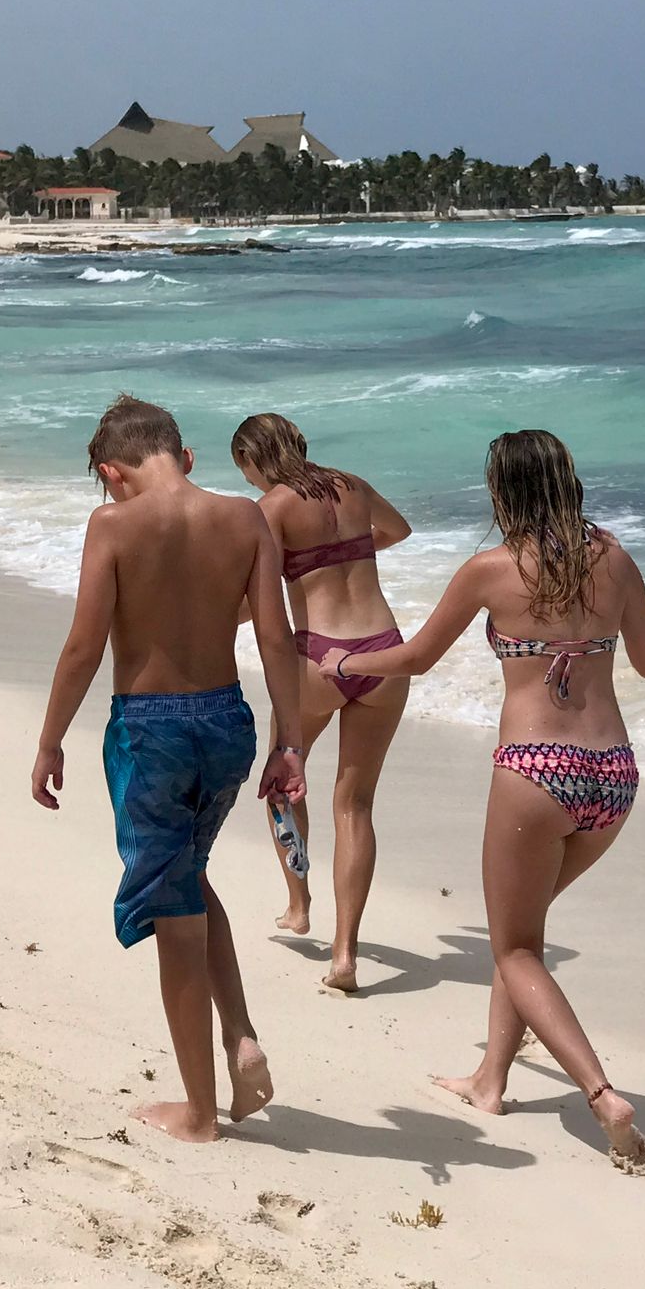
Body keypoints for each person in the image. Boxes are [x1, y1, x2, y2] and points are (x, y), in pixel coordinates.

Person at [326, 429, 645, 1156]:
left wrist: (345, 658)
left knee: (513, 946)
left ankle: (602, 1094)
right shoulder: (616, 558)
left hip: (536, 772)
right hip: (612, 774)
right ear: (569, 482)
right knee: (526, 932)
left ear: (503, 493)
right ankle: (490, 1079)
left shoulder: (491, 569)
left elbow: (416, 656)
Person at [32, 395, 308, 1144]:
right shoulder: (246, 519)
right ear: (184, 457)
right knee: (188, 874)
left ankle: (199, 1114)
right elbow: (278, 641)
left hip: (150, 733)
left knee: (174, 916)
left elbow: (85, 645)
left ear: (110, 470)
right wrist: (292, 740)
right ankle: (240, 1034)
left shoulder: (113, 525)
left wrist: (50, 738)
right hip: (228, 723)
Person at [231, 413, 413, 993]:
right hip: (384, 652)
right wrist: (346, 556)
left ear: (252, 460)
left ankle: (300, 903)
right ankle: (345, 956)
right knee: (355, 805)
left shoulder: (273, 507)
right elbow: (398, 530)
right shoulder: (353, 485)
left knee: (284, 776)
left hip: (319, 657)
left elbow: (254, 599)